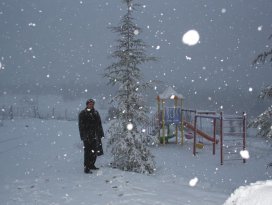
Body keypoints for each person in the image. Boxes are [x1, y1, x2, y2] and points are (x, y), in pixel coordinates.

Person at [78, 98, 104, 174]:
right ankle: (86, 167)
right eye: (90, 104)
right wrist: (83, 136)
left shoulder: (96, 113)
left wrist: (101, 134)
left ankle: (92, 165)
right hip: (87, 136)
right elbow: (81, 126)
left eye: (92, 104)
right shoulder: (82, 113)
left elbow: (99, 124)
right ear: (87, 105)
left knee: (94, 151)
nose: (91, 105)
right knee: (87, 152)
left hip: (95, 136)